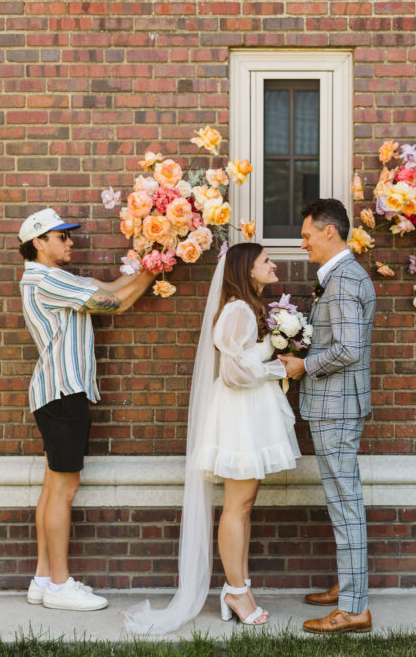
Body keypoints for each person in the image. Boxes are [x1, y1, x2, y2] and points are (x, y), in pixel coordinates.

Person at [124, 243, 299, 633]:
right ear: (246, 269)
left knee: (245, 502)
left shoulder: (247, 308)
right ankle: (235, 591)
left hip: (249, 412)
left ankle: (239, 586)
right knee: (238, 504)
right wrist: (278, 368)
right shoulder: (238, 311)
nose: (273, 265)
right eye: (265, 260)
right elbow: (235, 373)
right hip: (239, 414)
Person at [18, 207, 155, 612]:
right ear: (38, 243)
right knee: (64, 490)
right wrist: (156, 268)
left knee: (52, 487)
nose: (70, 241)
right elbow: (114, 303)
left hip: (55, 393)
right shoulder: (48, 279)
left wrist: (154, 258)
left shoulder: (49, 277)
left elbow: (108, 285)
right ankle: (60, 585)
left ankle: (43, 578)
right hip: (63, 393)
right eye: (62, 237)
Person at [279, 198, 376, 634]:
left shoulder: (342, 281)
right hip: (337, 406)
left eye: (306, 235)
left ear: (329, 232)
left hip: (336, 408)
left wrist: (303, 365)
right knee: (343, 502)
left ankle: (354, 609)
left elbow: (349, 349)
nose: (302, 243)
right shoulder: (341, 278)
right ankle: (348, 587)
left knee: (345, 505)